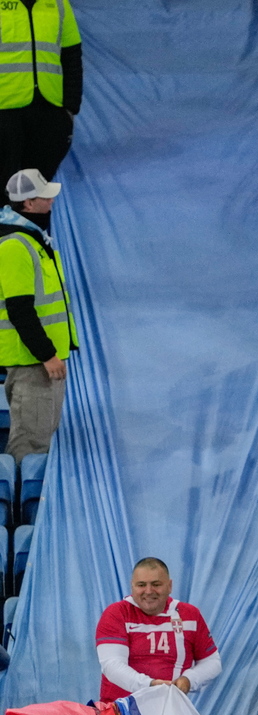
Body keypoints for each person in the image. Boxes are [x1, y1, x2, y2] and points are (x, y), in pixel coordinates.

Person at [0, 168, 67, 459]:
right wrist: (47, 354)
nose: (51, 202)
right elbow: (21, 311)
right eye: (44, 197)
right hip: (33, 362)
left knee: (39, 440)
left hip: (40, 361)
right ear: (28, 204)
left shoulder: (35, 240)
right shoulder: (16, 246)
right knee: (30, 448)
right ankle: (23, 504)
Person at [94, 558, 221, 703]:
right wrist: (150, 685)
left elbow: (212, 662)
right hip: (121, 713)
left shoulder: (190, 615)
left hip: (171, 710)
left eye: (156, 584)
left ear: (169, 586)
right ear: (132, 586)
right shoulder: (116, 613)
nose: (148, 591)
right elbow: (112, 665)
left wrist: (189, 680)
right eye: (141, 585)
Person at [0, 0, 78, 189]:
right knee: (4, 191)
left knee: (37, 195)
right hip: (4, 111)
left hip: (49, 111)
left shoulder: (59, 4)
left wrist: (70, 106)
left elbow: (72, 55)